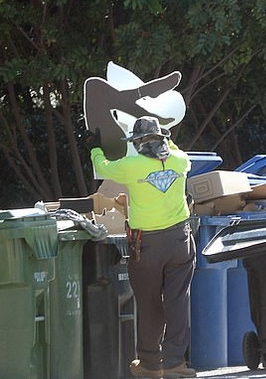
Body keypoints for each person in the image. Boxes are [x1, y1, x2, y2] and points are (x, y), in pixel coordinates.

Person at [89, 116, 196, 378]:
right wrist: (166, 139)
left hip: (145, 244)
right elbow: (175, 150)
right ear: (162, 139)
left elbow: (102, 166)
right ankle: (175, 363)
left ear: (137, 143)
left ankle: (149, 364)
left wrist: (95, 147)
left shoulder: (130, 166)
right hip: (179, 240)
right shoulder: (180, 160)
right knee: (178, 300)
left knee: (149, 303)